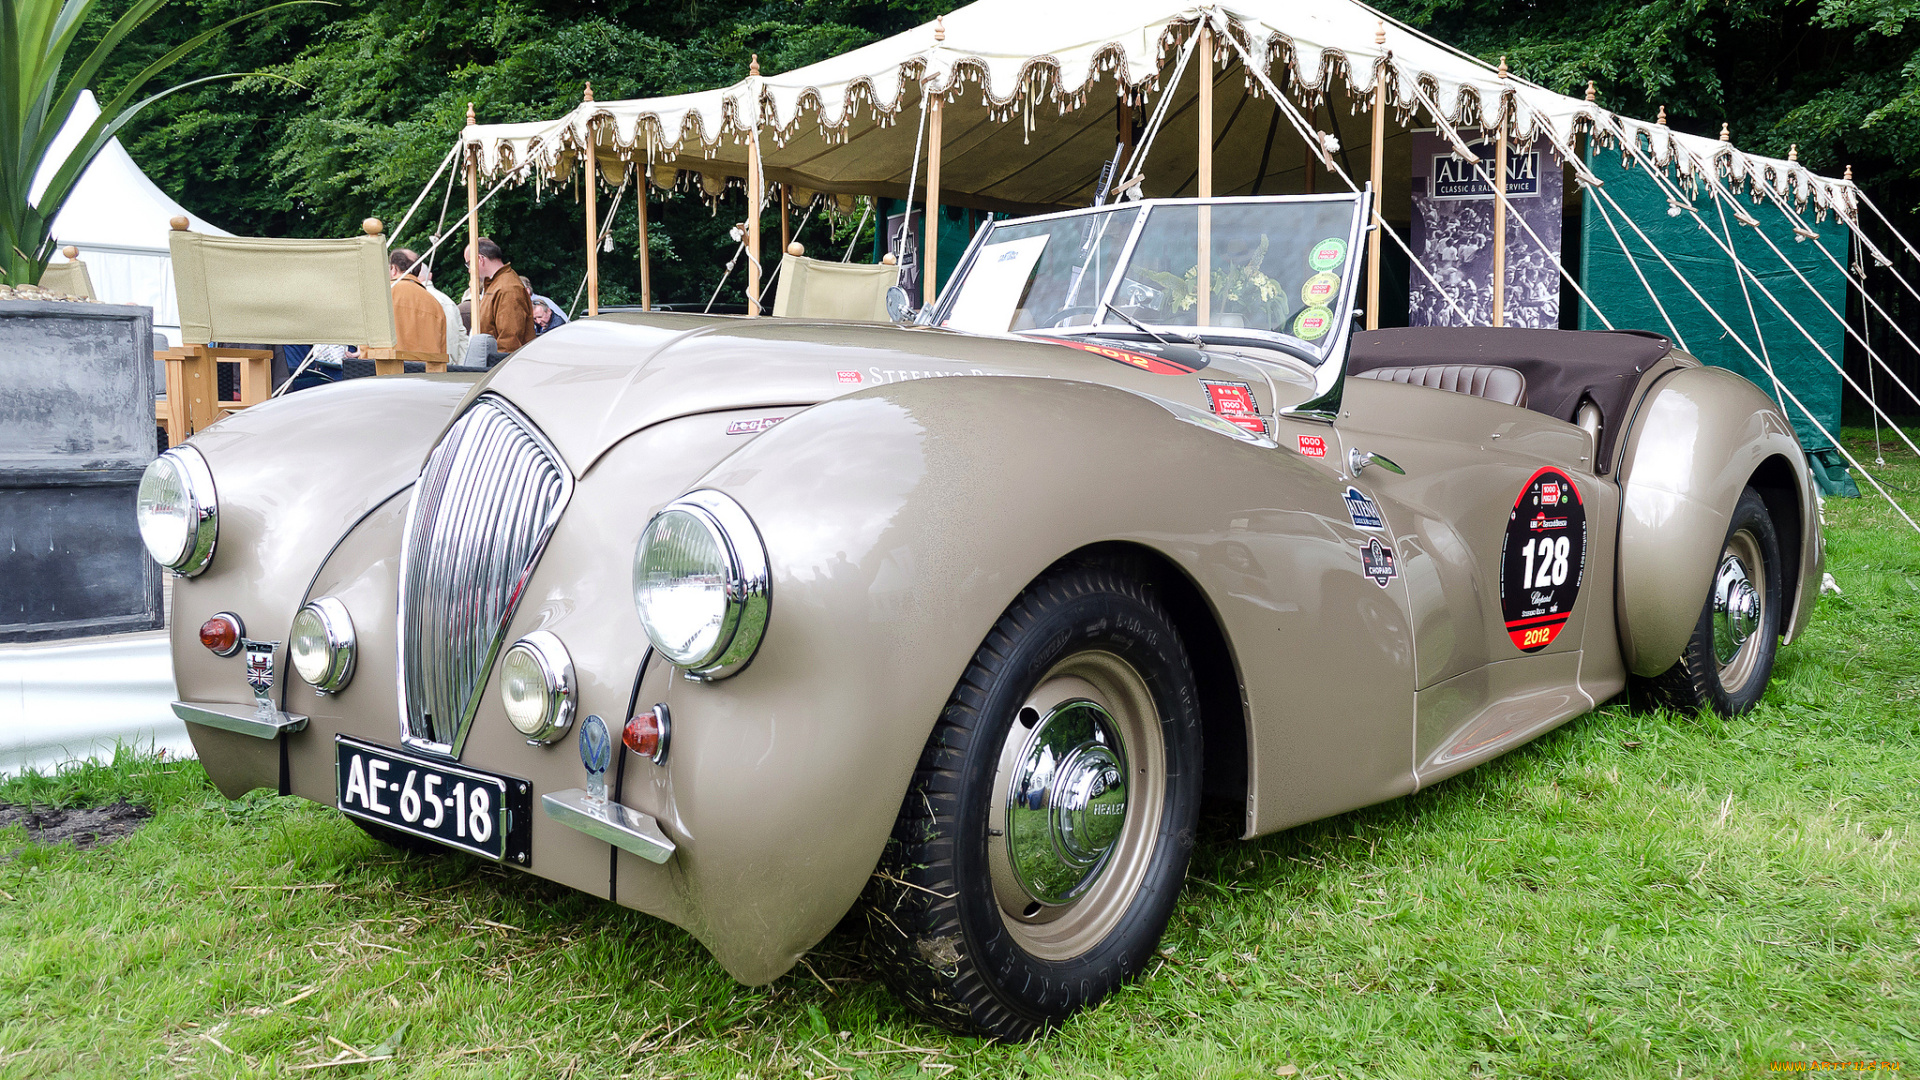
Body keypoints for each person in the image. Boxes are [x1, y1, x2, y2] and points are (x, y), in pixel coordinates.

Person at [463, 237, 537, 368]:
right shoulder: (496, 284)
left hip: (501, 370)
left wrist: (495, 373)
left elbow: (509, 342)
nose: (469, 270)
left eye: (468, 264)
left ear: (480, 259)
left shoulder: (508, 288)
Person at [389, 249, 447, 360]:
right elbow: (441, 353)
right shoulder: (435, 303)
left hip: (387, 372)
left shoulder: (383, 295)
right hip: (424, 374)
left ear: (393, 269)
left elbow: (367, 348)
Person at [415, 258, 467, 361]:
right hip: (452, 369)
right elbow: (463, 341)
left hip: (424, 368)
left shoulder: (413, 300)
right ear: (430, 276)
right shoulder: (449, 302)